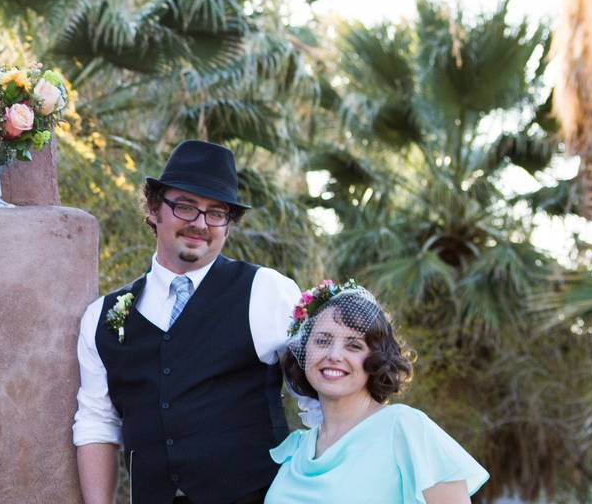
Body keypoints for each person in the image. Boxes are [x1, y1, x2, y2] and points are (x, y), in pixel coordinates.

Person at [73, 140, 301, 504]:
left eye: (216, 213)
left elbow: (319, 402)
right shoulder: (102, 316)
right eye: (185, 207)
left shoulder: (267, 291)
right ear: (152, 208)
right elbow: (97, 423)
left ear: (228, 225)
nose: (200, 224)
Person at [265, 280, 489, 503]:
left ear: (376, 359)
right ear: (304, 352)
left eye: (354, 345)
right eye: (323, 341)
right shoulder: (297, 448)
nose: (334, 355)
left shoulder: (405, 428)